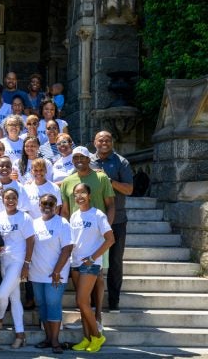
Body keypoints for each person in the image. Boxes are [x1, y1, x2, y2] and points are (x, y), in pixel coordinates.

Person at [60, 146, 115, 330]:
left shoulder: (101, 177)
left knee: (98, 276)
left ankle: (97, 316)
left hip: (97, 236)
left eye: (82, 157)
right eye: (75, 157)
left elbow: (111, 205)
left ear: (88, 158)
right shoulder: (68, 181)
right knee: (81, 288)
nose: (78, 160)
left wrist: (105, 230)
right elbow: (66, 212)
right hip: (77, 236)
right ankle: (87, 320)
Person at [69, 183, 115, 353]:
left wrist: (92, 257)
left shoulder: (98, 215)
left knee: (81, 300)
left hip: (90, 264)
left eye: (82, 192)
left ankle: (97, 336)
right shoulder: (74, 216)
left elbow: (110, 239)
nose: (79, 196)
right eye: (76, 193)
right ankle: (86, 338)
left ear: (89, 195)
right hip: (75, 263)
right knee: (83, 304)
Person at [91, 131, 134, 311]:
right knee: (93, 261)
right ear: (95, 142)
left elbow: (129, 189)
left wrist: (109, 181)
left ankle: (114, 300)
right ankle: (94, 301)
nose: (104, 142)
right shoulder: (88, 161)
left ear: (112, 142)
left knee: (115, 261)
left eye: (108, 139)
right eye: (101, 140)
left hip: (116, 220)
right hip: (93, 221)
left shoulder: (121, 162)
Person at [30, 193, 72, 354]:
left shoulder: (63, 223)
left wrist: (56, 271)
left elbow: (67, 249)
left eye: (50, 204)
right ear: (39, 205)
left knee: (53, 305)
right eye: (44, 203)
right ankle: (48, 338)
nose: (47, 206)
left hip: (56, 274)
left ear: (56, 206)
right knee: (42, 305)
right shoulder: (34, 223)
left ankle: (55, 340)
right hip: (37, 273)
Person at [0, 187, 35, 349]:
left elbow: (31, 241)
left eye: (13, 198)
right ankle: (20, 334)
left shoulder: (25, 217)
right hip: (4, 261)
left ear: (18, 200)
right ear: (2, 199)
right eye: (7, 198)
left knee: (1, 294)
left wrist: (26, 264)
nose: (10, 201)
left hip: (18, 262)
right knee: (14, 298)